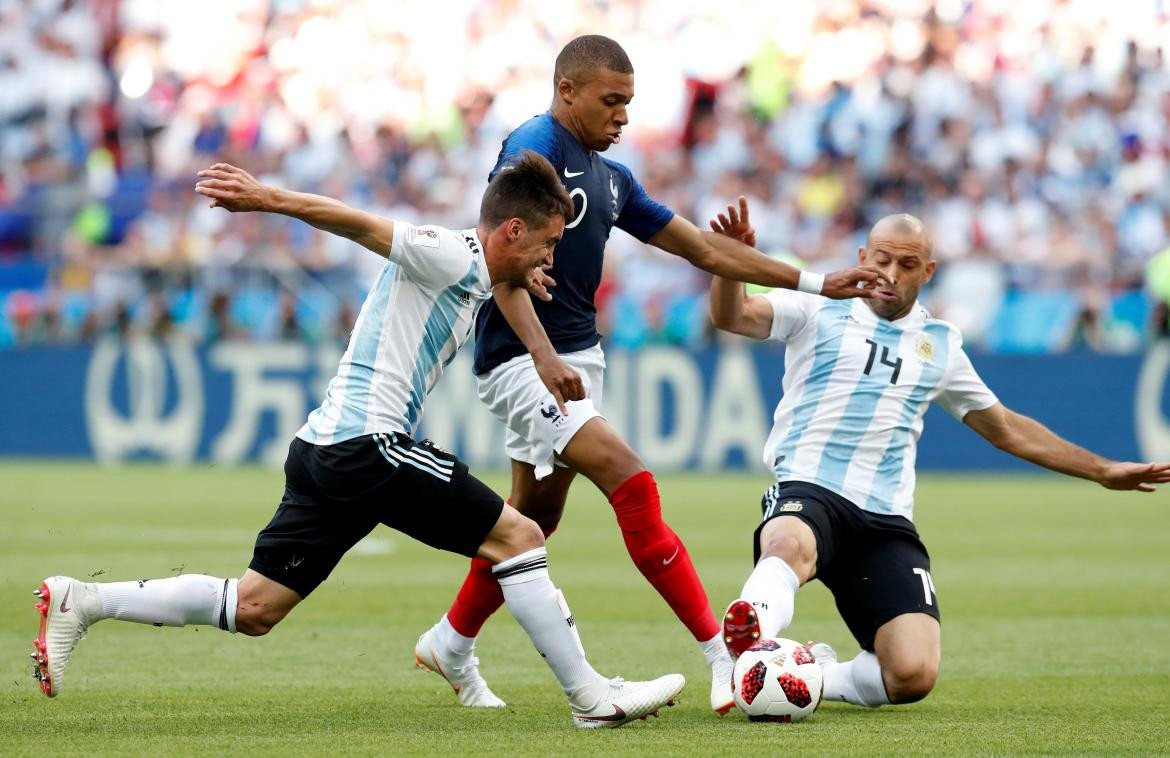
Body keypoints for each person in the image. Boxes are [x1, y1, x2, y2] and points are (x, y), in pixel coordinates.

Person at [30, 153, 688, 729]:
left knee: (255, 606)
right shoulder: (449, 252)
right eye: (547, 245)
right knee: (519, 537)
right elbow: (354, 221)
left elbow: (500, 279)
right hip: (368, 443)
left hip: (320, 450)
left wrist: (522, 281)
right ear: (511, 230)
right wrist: (268, 198)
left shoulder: (483, 271)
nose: (552, 258)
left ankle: (85, 599)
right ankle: (590, 697)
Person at [414, 34, 889, 715]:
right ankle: (719, 653)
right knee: (630, 479)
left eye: (629, 103)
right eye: (611, 102)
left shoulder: (611, 179)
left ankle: (451, 641)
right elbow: (501, 260)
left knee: (534, 517)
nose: (624, 117)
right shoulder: (532, 149)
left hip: (578, 357)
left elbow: (698, 246)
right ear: (567, 90)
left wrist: (818, 280)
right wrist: (543, 358)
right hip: (523, 358)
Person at [707, 201, 1170, 707]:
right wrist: (729, 262)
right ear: (863, 255)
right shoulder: (818, 305)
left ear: (927, 271)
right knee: (789, 545)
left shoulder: (940, 345)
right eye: (881, 259)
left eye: (906, 266)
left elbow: (1007, 429)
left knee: (912, 675)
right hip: (809, 489)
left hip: (884, 520)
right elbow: (732, 315)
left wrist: (1103, 469)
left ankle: (816, 675)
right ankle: (744, 648)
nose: (889, 274)